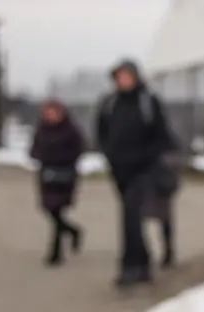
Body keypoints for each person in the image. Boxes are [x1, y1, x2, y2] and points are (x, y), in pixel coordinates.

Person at [95, 59, 179, 287]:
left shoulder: (148, 102)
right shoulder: (110, 103)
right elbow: (101, 133)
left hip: (144, 169)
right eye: (119, 77)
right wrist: (109, 155)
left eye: (127, 76)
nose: (123, 81)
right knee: (130, 217)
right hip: (120, 170)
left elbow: (162, 137)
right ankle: (141, 265)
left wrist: (145, 157)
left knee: (131, 217)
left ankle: (131, 267)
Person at [29, 99, 85, 267]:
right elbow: (33, 150)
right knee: (50, 210)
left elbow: (79, 150)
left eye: (54, 112)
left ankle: (55, 252)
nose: (50, 115)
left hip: (65, 175)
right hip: (46, 175)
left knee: (58, 209)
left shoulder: (70, 131)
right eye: (47, 112)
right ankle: (73, 231)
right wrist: (40, 157)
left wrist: (61, 159)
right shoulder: (41, 130)